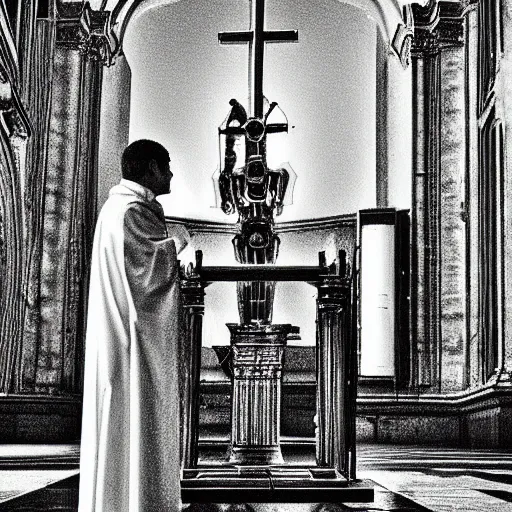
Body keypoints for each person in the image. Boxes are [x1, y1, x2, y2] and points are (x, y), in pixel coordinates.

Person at [78, 139, 182, 512]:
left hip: (116, 336)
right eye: (166, 165)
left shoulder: (116, 207)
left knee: (118, 430)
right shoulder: (131, 211)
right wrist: (179, 243)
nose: (171, 173)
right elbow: (150, 276)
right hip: (127, 345)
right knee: (133, 423)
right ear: (151, 168)